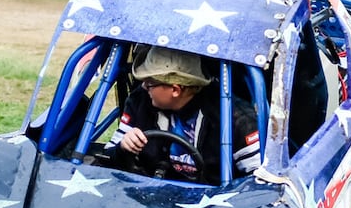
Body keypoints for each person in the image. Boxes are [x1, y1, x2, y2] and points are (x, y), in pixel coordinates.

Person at [106, 45, 260, 182]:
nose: (144, 86)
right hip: (151, 199)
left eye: (150, 82)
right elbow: (107, 158)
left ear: (175, 89)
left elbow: (259, 181)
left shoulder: (236, 117)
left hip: (214, 207)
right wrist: (123, 147)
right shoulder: (139, 100)